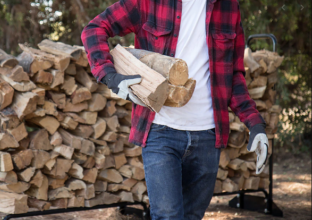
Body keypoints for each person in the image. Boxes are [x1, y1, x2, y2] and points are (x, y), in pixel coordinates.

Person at [81, 0, 269, 219]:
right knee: (168, 216)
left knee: (192, 216)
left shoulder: (228, 6)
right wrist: (109, 75)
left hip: (208, 137)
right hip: (160, 132)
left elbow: (234, 75)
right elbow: (94, 29)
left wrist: (255, 123)